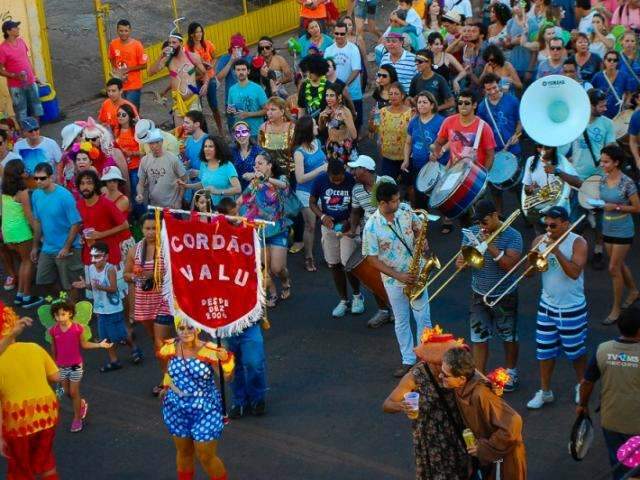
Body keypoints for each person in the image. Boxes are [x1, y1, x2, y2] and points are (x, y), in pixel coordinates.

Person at [362, 181, 432, 378]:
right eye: (394, 200)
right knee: (401, 320)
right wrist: (399, 275)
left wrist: (422, 241)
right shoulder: (371, 227)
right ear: (383, 203)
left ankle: (425, 358)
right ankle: (408, 360)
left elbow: (419, 229)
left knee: (423, 318)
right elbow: (371, 259)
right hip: (394, 281)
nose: (399, 202)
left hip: (416, 272)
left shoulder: (405, 210)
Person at [383, 327, 471, 479]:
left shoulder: (455, 367)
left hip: (458, 432)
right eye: (437, 363)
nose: (442, 368)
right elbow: (387, 404)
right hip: (432, 440)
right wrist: (401, 406)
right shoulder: (415, 376)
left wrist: (495, 385)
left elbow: (479, 381)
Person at [525, 206, 589, 409]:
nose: (548, 229)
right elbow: (528, 274)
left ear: (565, 224)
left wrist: (556, 250)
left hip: (572, 307)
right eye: (546, 225)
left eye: (553, 225)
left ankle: (581, 385)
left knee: (576, 351)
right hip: (547, 306)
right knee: (544, 351)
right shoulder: (539, 240)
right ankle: (545, 392)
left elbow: (574, 273)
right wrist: (532, 257)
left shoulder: (578, 242)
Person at [456, 199, 522, 390]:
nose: (480, 226)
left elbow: (509, 265)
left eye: (484, 222)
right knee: (478, 337)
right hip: (479, 293)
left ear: (495, 216)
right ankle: (479, 376)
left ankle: (511, 372)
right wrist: (462, 264)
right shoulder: (472, 233)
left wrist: (489, 245)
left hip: (504, 294)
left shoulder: (513, 235)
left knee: (509, 336)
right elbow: (466, 262)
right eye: (478, 223)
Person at [158, 317, 233, 480]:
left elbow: (226, 378)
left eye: (190, 328)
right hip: (176, 408)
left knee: (206, 456)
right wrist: (166, 386)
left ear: (197, 329)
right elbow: (167, 371)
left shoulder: (210, 350)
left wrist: (225, 361)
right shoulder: (170, 347)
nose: (185, 332)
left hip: (205, 409)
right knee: (184, 452)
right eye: (181, 328)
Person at [441, 347, 527, 479]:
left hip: (503, 460)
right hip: (488, 460)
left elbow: (514, 422)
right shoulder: (460, 385)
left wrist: (485, 447)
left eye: (445, 375)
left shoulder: (481, 394)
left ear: (462, 379)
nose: (441, 376)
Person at [578, 306, 640, 480]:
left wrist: (582, 405)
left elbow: (587, 382)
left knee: (620, 463)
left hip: (611, 420)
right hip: (637, 424)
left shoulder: (603, 350)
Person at [0, 301, 60, 480]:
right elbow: (57, 377)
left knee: (20, 469)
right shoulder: (33, 348)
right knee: (46, 462)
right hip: (47, 415)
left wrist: (0, 437)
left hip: (18, 422)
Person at [559, 88, 615, 269]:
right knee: (575, 219)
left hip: (599, 180)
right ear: (589, 106)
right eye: (601, 106)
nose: (605, 108)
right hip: (577, 180)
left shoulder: (607, 124)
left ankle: (598, 250)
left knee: (600, 220)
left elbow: (612, 148)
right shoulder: (575, 122)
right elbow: (563, 147)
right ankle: (578, 250)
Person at [123, 213, 173, 397]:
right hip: (145, 301)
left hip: (164, 300)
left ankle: (167, 380)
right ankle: (169, 374)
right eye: (147, 228)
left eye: (154, 228)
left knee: (161, 343)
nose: (151, 232)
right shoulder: (135, 250)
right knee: (157, 343)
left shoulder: (168, 247)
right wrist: (136, 276)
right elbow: (126, 275)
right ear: (141, 229)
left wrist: (156, 276)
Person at [72, 241, 139, 373]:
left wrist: (100, 287)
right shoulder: (91, 269)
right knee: (105, 337)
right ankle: (114, 360)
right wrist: (85, 285)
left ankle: (135, 349)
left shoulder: (110, 269)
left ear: (106, 257)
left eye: (98, 256)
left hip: (113, 309)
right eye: (93, 256)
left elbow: (113, 288)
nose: (94, 259)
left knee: (121, 335)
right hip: (100, 310)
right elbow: (93, 286)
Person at [47, 300, 113, 432]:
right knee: (66, 392)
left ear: (70, 313)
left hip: (76, 365)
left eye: (62, 314)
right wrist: (53, 364)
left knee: (73, 391)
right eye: (57, 315)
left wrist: (100, 345)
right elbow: (53, 348)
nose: (60, 318)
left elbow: (84, 344)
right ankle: (81, 404)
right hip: (61, 366)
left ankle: (77, 418)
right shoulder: (53, 330)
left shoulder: (77, 329)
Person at [346, 155, 395, 328]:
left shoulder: (386, 181)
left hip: (390, 234)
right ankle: (383, 311)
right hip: (369, 235)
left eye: (356, 169)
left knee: (392, 272)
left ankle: (397, 309)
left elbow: (396, 204)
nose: (352, 172)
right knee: (372, 273)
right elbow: (355, 211)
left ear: (365, 170)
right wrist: (353, 230)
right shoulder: (356, 189)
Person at [310, 160, 363, 316]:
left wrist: (350, 223)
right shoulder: (320, 180)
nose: (338, 181)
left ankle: (357, 295)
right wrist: (322, 216)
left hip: (348, 228)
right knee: (334, 264)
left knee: (348, 263)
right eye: (334, 179)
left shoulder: (351, 180)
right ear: (328, 174)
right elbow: (312, 202)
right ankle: (343, 300)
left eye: (340, 178)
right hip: (329, 228)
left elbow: (358, 206)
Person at [238, 152, 292, 307]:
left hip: (278, 230)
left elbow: (285, 186)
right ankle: (273, 293)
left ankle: (285, 280)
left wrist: (265, 179)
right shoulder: (255, 183)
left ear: (270, 165)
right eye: (255, 164)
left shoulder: (280, 179)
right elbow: (242, 199)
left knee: (277, 268)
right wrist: (228, 211)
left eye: (260, 163)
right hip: (260, 231)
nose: (257, 166)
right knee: (265, 267)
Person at [30, 162, 84, 302]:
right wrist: (35, 247)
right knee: (43, 280)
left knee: (71, 284)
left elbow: (76, 223)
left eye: (42, 178)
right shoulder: (36, 195)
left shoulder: (64, 196)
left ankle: (72, 314)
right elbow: (38, 221)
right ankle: (62, 303)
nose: (38, 181)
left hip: (68, 248)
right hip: (48, 248)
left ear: (51, 177)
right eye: (35, 178)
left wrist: (66, 247)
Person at [599, 144, 640, 325]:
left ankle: (616, 310)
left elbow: (637, 208)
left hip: (623, 229)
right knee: (619, 264)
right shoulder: (602, 180)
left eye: (606, 162)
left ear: (616, 163)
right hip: (607, 228)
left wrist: (615, 207)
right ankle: (633, 291)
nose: (602, 164)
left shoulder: (627, 183)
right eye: (602, 161)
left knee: (613, 268)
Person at [477, 73, 522, 215]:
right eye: (488, 89)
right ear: (484, 90)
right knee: (495, 188)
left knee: (517, 185)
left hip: (513, 149)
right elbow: (482, 130)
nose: (492, 92)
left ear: (499, 85)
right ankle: (499, 215)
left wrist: (517, 134)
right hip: (494, 152)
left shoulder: (512, 101)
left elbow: (520, 121)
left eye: (495, 88)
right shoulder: (482, 107)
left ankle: (524, 211)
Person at [1, 158, 42, 308]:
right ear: (20, 174)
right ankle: (26, 297)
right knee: (28, 262)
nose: (27, 172)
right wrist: (38, 233)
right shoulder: (22, 192)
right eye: (24, 170)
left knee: (23, 263)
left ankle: (19, 295)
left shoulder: (4, 190)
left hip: (8, 233)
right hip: (22, 232)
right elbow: (29, 216)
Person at [148, 29, 207, 127]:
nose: (171, 45)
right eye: (169, 43)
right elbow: (151, 72)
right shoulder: (168, 60)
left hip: (193, 101)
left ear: (181, 43)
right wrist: (160, 56)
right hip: (178, 103)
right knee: (180, 134)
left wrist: (205, 84)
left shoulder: (192, 57)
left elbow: (205, 73)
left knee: (195, 130)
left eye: (174, 42)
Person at [293, 115, 327, 272]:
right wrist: (320, 169)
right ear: (307, 131)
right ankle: (308, 256)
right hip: (306, 193)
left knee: (327, 221)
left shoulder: (317, 142)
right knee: (311, 225)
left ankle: (329, 254)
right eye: (314, 125)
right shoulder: (299, 153)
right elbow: (300, 178)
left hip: (321, 189)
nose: (317, 128)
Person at [432, 90, 496, 172]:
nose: (463, 105)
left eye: (467, 103)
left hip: (473, 175)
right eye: (460, 103)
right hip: (453, 172)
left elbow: (490, 155)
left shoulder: (484, 127)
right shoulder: (448, 121)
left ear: (474, 105)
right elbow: (438, 142)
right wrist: (435, 152)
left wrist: (483, 175)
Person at [402, 91, 446, 208]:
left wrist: (437, 153)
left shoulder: (441, 121)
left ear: (432, 105)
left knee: (440, 198)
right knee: (420, 199)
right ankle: (422, 224)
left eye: (425, 102)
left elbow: (446, 142)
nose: (421, 105)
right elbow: (408, 143)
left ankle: (446, 224)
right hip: (417, 166)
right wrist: (406, 160)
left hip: (435, 166)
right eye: (419, 102)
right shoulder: (413, 122)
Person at [522, 146, 581, 231]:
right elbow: (526, 188)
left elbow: (577, 182)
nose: (543, 151)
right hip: (539, 211)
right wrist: (529, 189)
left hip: (559, 212)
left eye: (547, 148)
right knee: (541, 242)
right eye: (539, 147)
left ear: (553, 147)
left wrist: (557, 171)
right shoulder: (531, 160)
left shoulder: (561, 160)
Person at [178, 136, 241, 208]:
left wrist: (217, 191)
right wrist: (187, 186)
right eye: (205, 146)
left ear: (218, 149)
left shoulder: (227, 165)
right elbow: (204, 184)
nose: (207, 149)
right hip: (209, 207)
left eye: (211, 146)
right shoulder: (203, 164)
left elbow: (238, 189)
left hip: (225, 209)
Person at [324, 21, 364, 131]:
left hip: (353, 92)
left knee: (356, 121)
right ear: (333, 33)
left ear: (347, 34)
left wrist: (343, 85)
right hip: (335, 95)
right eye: (337, 33)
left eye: (342, 34)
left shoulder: (353, 48)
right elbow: (325, 70)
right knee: (338, 123)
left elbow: (356, 70)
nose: (339, 36)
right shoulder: (328, 50)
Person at [0, 21, 43, 122]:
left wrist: (34, 76)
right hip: (16, 86)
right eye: (15, 27)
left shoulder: (21, 41)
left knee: (36, 107)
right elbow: (0, 70)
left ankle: (35, 131)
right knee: (21, 111)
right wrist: (15, 76)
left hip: (30, 81)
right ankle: (25, 134)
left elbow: (27, 60)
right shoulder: (2, 48)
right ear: (8, 31)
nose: (18, 29)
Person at [185, 22, 223, 133]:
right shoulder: (187, 49)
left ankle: (220, 130)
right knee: (198, 108)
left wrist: (211, 66)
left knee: (214, 105)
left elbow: (215, 57)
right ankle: (202, 132)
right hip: (195, 80)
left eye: (201, 31)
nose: (200, 34)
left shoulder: (208, 44)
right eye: (197, 32)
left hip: (210, 78)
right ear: (191, 34)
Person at [136, 128, 187, 208]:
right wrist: (139, 194)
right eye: (151, 143)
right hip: (154, 206)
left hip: (172, 206)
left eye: (157, 142)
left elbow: (184, 179)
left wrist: (179, 200)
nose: (154, 146)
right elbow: (140, 183)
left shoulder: (172, 159)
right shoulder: (145, 160)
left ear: (162, 142)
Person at [108, 19, 147, 110]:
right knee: (120, 111)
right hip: (119, 86)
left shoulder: (137, 45)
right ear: (117, 31)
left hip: (133, 86)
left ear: (130, 31)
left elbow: (144, 65)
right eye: (121, 31)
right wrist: (116, 71)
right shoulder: (113, 44)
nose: (123, 33)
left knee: (132, 111)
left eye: (126, 31)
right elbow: (111, 58)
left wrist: (128, 69)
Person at [216, 33, 253, 128]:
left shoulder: (249, 58)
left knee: (249, 126)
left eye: (239, 48)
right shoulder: (225, 58)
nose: (236, 50)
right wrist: (231, 62)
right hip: (232, 100)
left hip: (248, 98)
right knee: (233, 127)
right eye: (234, 48)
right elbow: (218, 78)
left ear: (243, 48)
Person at [378, 82, 412, 180]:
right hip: (387, 158)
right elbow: (372, 129)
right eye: (391, 94)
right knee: (386, 186)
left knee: (408, 187)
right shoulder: (382, 112)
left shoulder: (410, 113)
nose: (393, 96)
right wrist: (373, 119)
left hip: (406, 158)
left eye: (396, 94)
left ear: (403, 95)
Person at [227, 59, 268, 139]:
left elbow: (267, 110)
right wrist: (230, 111)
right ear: (234, 72)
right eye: (238, 70)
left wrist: (249, 114)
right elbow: (230, 109)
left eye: (243, 69)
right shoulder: (232, 89)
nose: (241, 72)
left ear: (248, 71)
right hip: (240, 132)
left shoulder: (257, 88)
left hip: (256, 132)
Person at [319, 81, 358, 164]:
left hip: (344, 148)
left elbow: (354, 135)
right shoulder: (327, 109)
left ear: (339, 96)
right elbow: (321, 129)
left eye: (332, 95)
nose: (328, 98)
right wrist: (320, 118)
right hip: (331, 147)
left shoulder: (345, 111)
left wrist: (344, 119)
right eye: (327, 95)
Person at [592, 50, 635, 120]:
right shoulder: (598, 76)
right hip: (601, 113)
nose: (612, 62)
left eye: (615, 60)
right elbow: (591, 92)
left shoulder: (624, 76)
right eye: (609, 60)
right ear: (604, 61)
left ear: (617, 62)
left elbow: (629, 92)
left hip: (618, 113)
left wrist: (627, 103)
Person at [258, 96, 295, 172]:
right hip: (270, 171)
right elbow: (261, 151)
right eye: (268, 110)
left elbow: (297, 151)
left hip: (290, 170)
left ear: (282, 111)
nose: (269, 113)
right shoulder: (263, 128)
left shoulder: (292, 127)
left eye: (273, 109)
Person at [231, 121, 261, 190]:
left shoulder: (258, 151)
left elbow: (266, 172)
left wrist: (253, 175)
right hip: (237, 191)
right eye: (237, 133)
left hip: (255, 190)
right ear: (234, 136)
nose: (241, 135)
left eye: (244, 132)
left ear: (249, 133)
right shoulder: (231, 151)